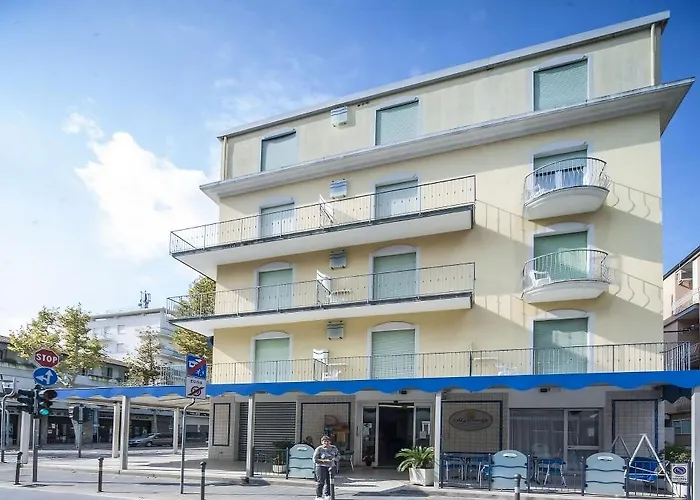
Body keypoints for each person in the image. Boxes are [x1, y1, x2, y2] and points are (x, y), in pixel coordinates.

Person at [313, 435, 339, 499]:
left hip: (331, 466)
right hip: (321, 466)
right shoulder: (319, 449)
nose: (326, 443)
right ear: (322, 442)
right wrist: (324, 461)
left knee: (329, 481)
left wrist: (334, 459)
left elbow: (338, 456)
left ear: (330, 442)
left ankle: (327, 494)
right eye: (324, 441)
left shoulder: (334, 448)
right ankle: (318, 496)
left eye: (327, 441)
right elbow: (315, 459)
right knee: (321, 481)